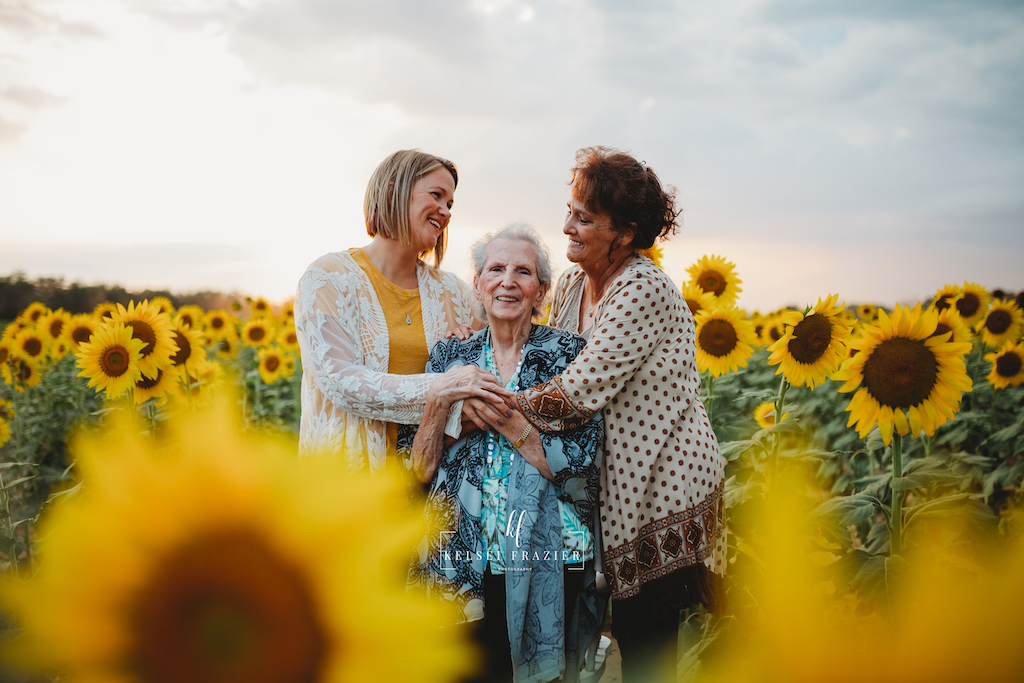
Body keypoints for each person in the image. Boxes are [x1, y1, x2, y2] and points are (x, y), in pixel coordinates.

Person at [502, 148, 727, 682]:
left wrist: (491, 406)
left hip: (663, 484)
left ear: (623, 233)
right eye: (570, 211)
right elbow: (545, 357)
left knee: (645, 640)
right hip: (614, 479)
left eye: (583, 218)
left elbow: (578, 391)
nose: (567, 227)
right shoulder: (578, 284)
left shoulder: (641, 288)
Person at [407, 224, 605, 683]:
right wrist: (443, 406)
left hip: (545, 550)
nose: (508, 281)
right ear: (477, 284)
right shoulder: (449, 358)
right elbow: (417, 466)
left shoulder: (569, 358)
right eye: (495, 269)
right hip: (460, 551)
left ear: (541, 290)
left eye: (523, 271)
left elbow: (581, 468)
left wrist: (502, 415)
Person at [294, 149, 510, 471]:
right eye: (436, 195)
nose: (446, 211)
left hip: (429, 493)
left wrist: (472, 346)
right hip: (343, 491)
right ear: (394, 191)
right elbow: (342, 383)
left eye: (450, 204)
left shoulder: (454, 292)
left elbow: (506, 356)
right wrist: (444, 386)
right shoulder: (328, 277)